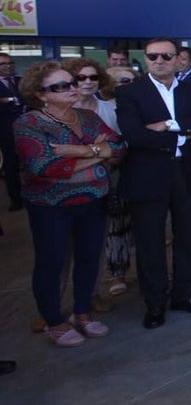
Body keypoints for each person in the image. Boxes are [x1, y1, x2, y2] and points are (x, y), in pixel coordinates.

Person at [16, 62, 125, 345]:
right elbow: (44, 167)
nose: (72, 89)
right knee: (51, 262)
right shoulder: (29, 124)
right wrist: (98, 153)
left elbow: (117, 146)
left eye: (72, 83)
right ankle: (54, 321)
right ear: (40, 94)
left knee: (89, 258)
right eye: (61, 86)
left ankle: (82, 313)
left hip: (93, 200)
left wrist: (75, 151)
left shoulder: (88, 117)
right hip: (51, 205)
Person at [116, 38, 191, 329]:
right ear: (145, 59)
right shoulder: (130, 93)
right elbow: (134, 135)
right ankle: (155, 301)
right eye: (152, 56)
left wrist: (168, 125)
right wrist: (186, 129)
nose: (159, 61)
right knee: (150, 241)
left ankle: (184, 293)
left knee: (187, 236)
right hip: (148, 175)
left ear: (178, 59)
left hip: (186, 172)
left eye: (166, 56)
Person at [63, 57, 119, 312]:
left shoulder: (110, 109)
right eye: (80, 78)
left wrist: (84, 153)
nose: (87, 82)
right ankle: (52, 306)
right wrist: (97, 151)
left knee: (93, 246)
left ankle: (91, 295)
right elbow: (53, 157)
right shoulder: (55, 110)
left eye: (93, 77)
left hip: (102, 185)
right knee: (59, 251)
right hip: (60, 191)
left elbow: (117, 146)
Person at [102, 66, 136, 294]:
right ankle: (117, 273)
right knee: (116, 225)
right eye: (123, 81)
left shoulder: (143, 105)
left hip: (141, 168)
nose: (129, 85)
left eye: (132, 81)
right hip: (114, 171)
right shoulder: (104, 109)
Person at [0, 52, 26, 210]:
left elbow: (30, 99)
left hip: (28, 131)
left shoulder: (22, 81)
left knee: (31, 164)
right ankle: (16, 199)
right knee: (11, 167)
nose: (8, 66)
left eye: (10, 63)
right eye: (3, 64)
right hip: (6, 133)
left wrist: (8, 100)